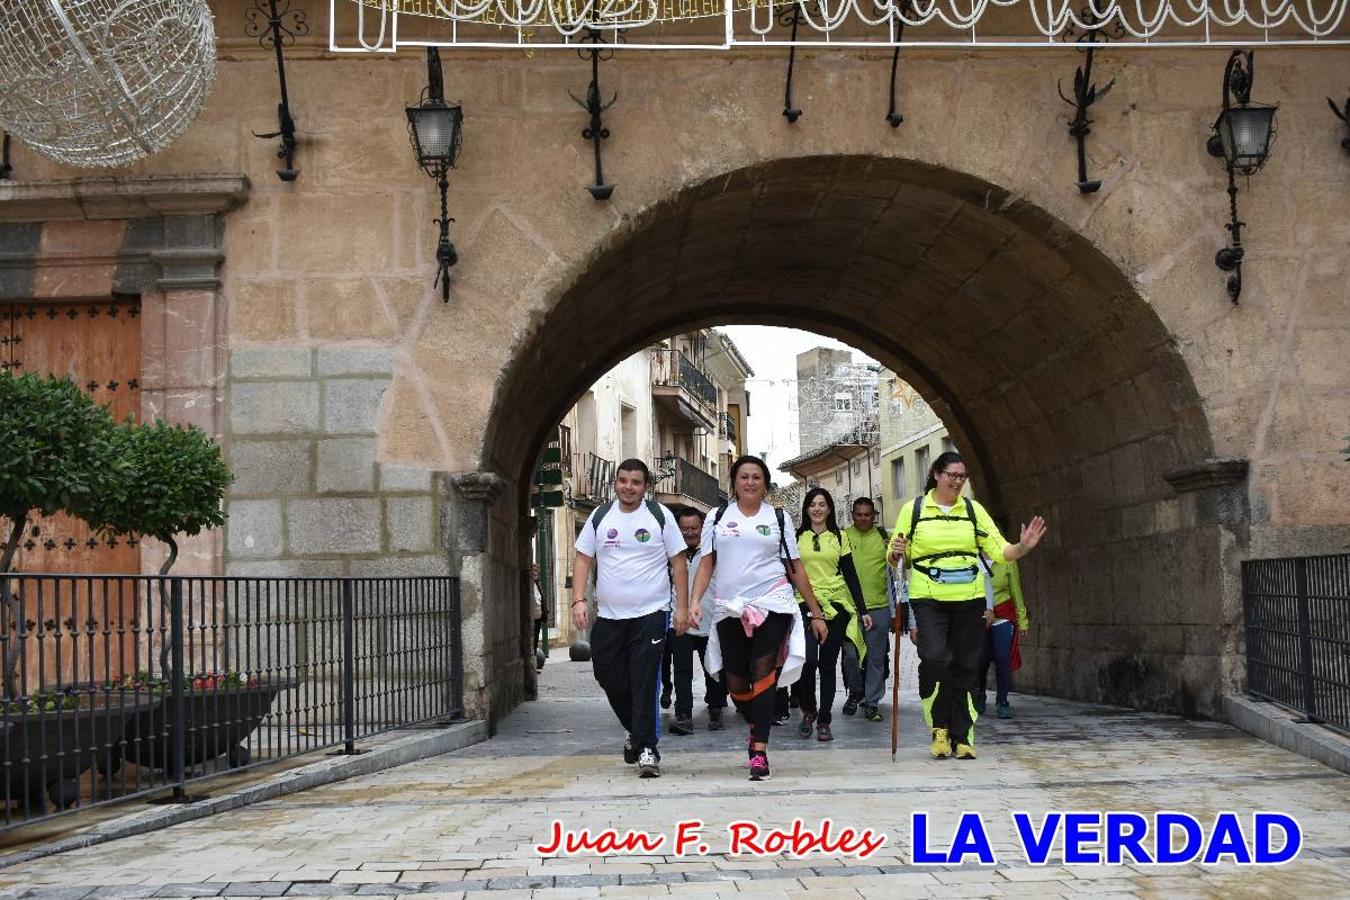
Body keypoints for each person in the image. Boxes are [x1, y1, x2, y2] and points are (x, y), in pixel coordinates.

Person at [888, 451, 1046, 760]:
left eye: (962, 477)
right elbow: (896, 556)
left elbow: (1000, 552)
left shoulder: (973, 511)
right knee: (936, 658)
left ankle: (962, 735)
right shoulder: (915, 509)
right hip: (928, 596)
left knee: (966, 665)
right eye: (952, 475)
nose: (957, 482)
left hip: (969, 598)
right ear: (936, 474)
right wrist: (894, 552)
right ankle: (939, 728)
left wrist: (1023, 546)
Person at [693, 456, 830, 781]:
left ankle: (759, 750)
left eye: (756, 477)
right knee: (736, 680)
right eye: (744, 477)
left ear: (765, 484)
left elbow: (795, 568)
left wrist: (815, 612)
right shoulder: (719, 517)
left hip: (774, 603)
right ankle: (756, 723)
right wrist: (695, 601)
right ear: (734, 482)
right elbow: (707, 563)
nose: (750, 482)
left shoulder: (778, 518)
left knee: (763, 671)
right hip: (730, 607)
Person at [572, 459, 690, 778]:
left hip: (651, 614)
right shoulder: (600, 516)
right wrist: (578, 599)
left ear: (645, 486)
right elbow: (583, 558)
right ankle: (636, 732)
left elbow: (678, 562)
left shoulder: (658, 515)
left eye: (635, 482)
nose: (628, 487)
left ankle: (648, 749)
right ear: (616, 483)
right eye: (623, 481)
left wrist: (681, 607)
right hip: (609, 617)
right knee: (608, 675)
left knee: (644, 680)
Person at [792, 488, 870, 743]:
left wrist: (862, 609)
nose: (817, 509)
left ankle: (824, 720)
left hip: (835, 606)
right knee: (807, 662)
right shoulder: (795, 537)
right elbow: (788, 574)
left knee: (827, 665)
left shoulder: (839, 537)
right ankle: (809, 710)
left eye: (822, 504)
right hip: (804, 603)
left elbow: (850, 574)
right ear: (806, 509)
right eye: (812, 504)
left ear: (829, 509)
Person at [665, 506, 727, 732]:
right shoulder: (671, 552)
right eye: (684, 529)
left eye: (694, 528)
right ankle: (683, 715)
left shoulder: (714, 552)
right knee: (681, 669)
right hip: (679, 619)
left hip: (709, 619)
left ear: (702, 528)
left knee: (714, 668)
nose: (689, 533)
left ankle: (716, 708)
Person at [843, 497, 894, 722]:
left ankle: (871, 702)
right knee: (850, 656)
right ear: (852, 515)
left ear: (874, 516)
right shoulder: (843, 537)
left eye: (867, 514)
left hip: (879, 607)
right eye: (859, 514)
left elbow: (902, 565)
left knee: (876, 658)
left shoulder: (885, 539)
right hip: (849, 608)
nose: (863, 519)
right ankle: (856, 691)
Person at [976, 553, 1028, 719]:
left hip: (1003, 614)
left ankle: (1002, 701)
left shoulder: (1008, 560)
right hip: (981, 614)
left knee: (1003, 657)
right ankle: (980, 695)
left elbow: (1016, 590)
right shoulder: (972, 558)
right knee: (981, 660)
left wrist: (1022, 619)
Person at [531, 563, 547, 672]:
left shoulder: (537, 584)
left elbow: (540, 599)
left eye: (537, 572)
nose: (536, 574)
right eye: (534, 571)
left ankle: (534, 665)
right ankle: (532, 666)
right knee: (531, 642)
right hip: (531, 617)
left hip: (537, 617)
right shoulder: (529, 585)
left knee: (535, 641)